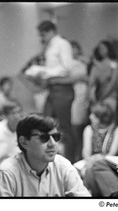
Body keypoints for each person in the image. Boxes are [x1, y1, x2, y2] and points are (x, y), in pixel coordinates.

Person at [27, 20, 85, 164]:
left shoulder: (62, 44)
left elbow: (67, 68)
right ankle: (47, 159)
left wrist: (44, 71)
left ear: (50, 31)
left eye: (43, 34)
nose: (42, 38)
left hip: (63, 90)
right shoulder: (50, 47)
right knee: (44, 124)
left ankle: (71, 161)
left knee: (64, 127)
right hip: (53, 89)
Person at [0, 113, 91, 197]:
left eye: (56, 137)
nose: (53, 144)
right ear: (24, 142)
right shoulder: (7, 173)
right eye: (44, 138)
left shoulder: (63, 165)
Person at [76, 102, 118, 182]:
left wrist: (102, 158)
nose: (90, 117)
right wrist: (91, 160)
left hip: (110, 163)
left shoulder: (116, 129)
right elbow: (86, 153)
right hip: (91, 162)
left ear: (102, 117)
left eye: (93, 115)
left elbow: (113, 152)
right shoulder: (89, 129)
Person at [0, 103, 23, 193]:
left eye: (19, 112)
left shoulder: (25, 129)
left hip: (19, 164)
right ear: (5, 116)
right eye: (13, 113)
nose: (17, 116)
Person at [88, 40, 118, 112]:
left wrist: (104, 95)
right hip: (96, 98)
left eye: (104, 48)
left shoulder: (114, 64)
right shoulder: (96, 65)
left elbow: (114, 82)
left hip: (110, 96)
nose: (101, 50)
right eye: (100, 48)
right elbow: (91, 82)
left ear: (109, 49)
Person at [70, 40, 90, 163]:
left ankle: (82, 156)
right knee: (75, 129)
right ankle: (76, 158)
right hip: (75, 97)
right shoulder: (69, 64)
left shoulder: (83, 62)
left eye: (76, 47)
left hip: (85, 97)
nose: (74, 50)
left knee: (84, 128)